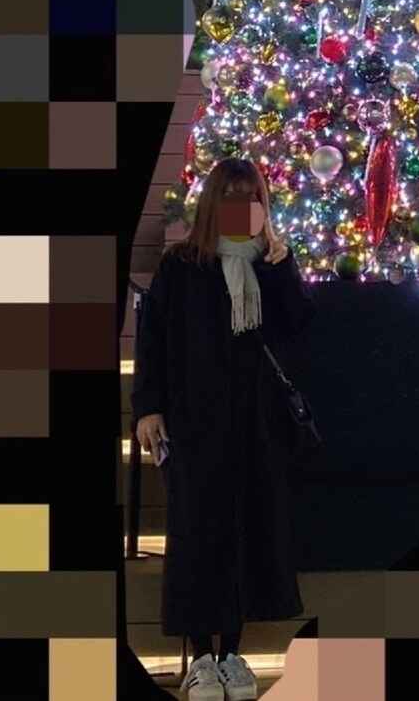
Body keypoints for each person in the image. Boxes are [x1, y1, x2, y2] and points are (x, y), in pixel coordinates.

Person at [131, 156, 315, 701]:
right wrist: (149, 407)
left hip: (256, 423)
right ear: (214, 203)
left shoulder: (270, 261)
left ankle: (232, 656)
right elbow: (153, 343)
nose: (242, 207)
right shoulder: (182, 265)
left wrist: (278, 266)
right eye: (232, 196)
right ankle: (200, 661)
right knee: (197, 535)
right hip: (194, 422)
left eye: (251, 197)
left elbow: (297, 323)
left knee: (247, 531)